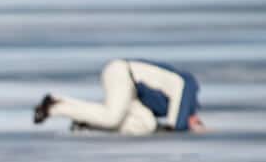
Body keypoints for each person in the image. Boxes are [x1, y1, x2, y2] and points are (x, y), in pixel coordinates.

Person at [33, 59, 206, 135]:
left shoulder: (180, 101)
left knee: (147, 124)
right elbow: (178, 115)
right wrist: (178, 126)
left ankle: (87, 124)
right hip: (123, 73)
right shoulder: (186, 87)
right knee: (111, 117)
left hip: (133, 90)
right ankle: (56, 105)